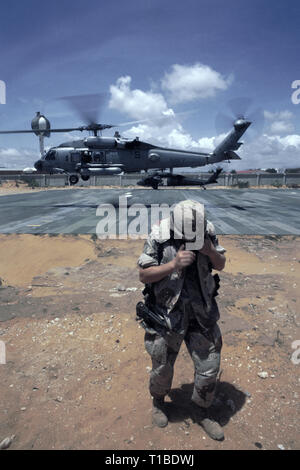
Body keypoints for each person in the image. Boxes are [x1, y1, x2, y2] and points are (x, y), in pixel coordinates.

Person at [137, 200, 226, 441]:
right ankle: (158, 402)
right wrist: (173, 265)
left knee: (209, 366)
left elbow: (221, 264)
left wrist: (209, 251)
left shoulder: (206, 230)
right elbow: (144, 274)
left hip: (201, 312)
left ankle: (201, 409)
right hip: (167, 314)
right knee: (162, 366)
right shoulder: (159, 234)